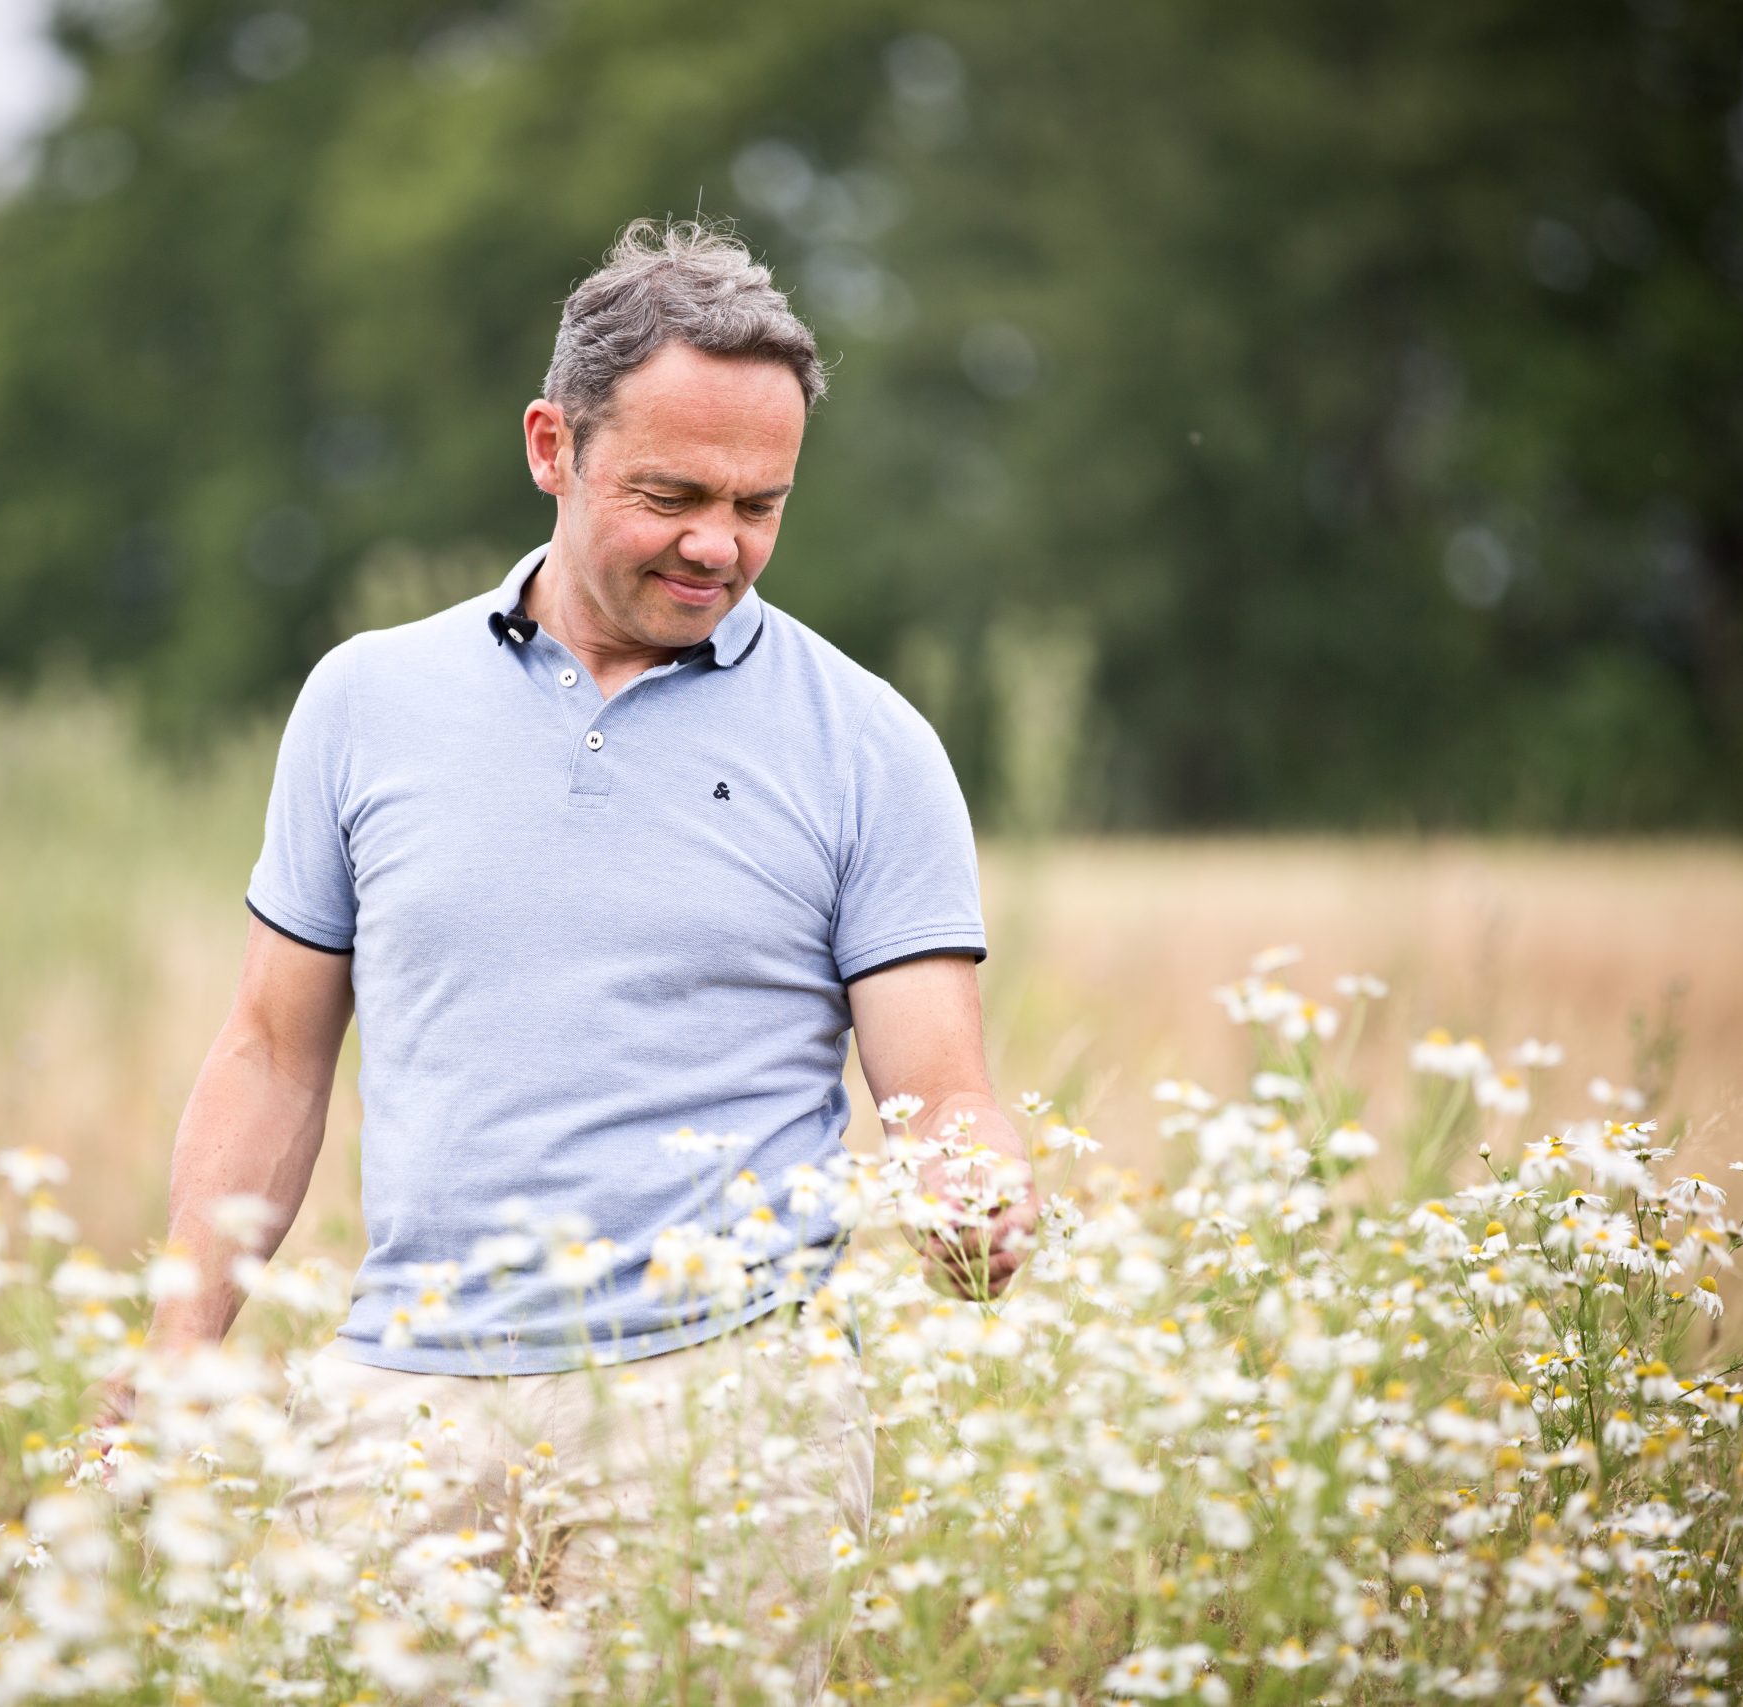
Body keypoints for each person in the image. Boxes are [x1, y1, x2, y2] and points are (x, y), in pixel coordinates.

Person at [102, 216, 1040, 1703]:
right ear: (552, 444)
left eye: (761, 504)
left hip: (724, 1417)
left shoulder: (870, 745)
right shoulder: (364, 703)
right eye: (671, 494)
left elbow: (941, 1083)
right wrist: (182, 1340)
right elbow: (274, 1052)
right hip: (399, 1404)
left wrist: (971, 1188)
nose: (718, 544)